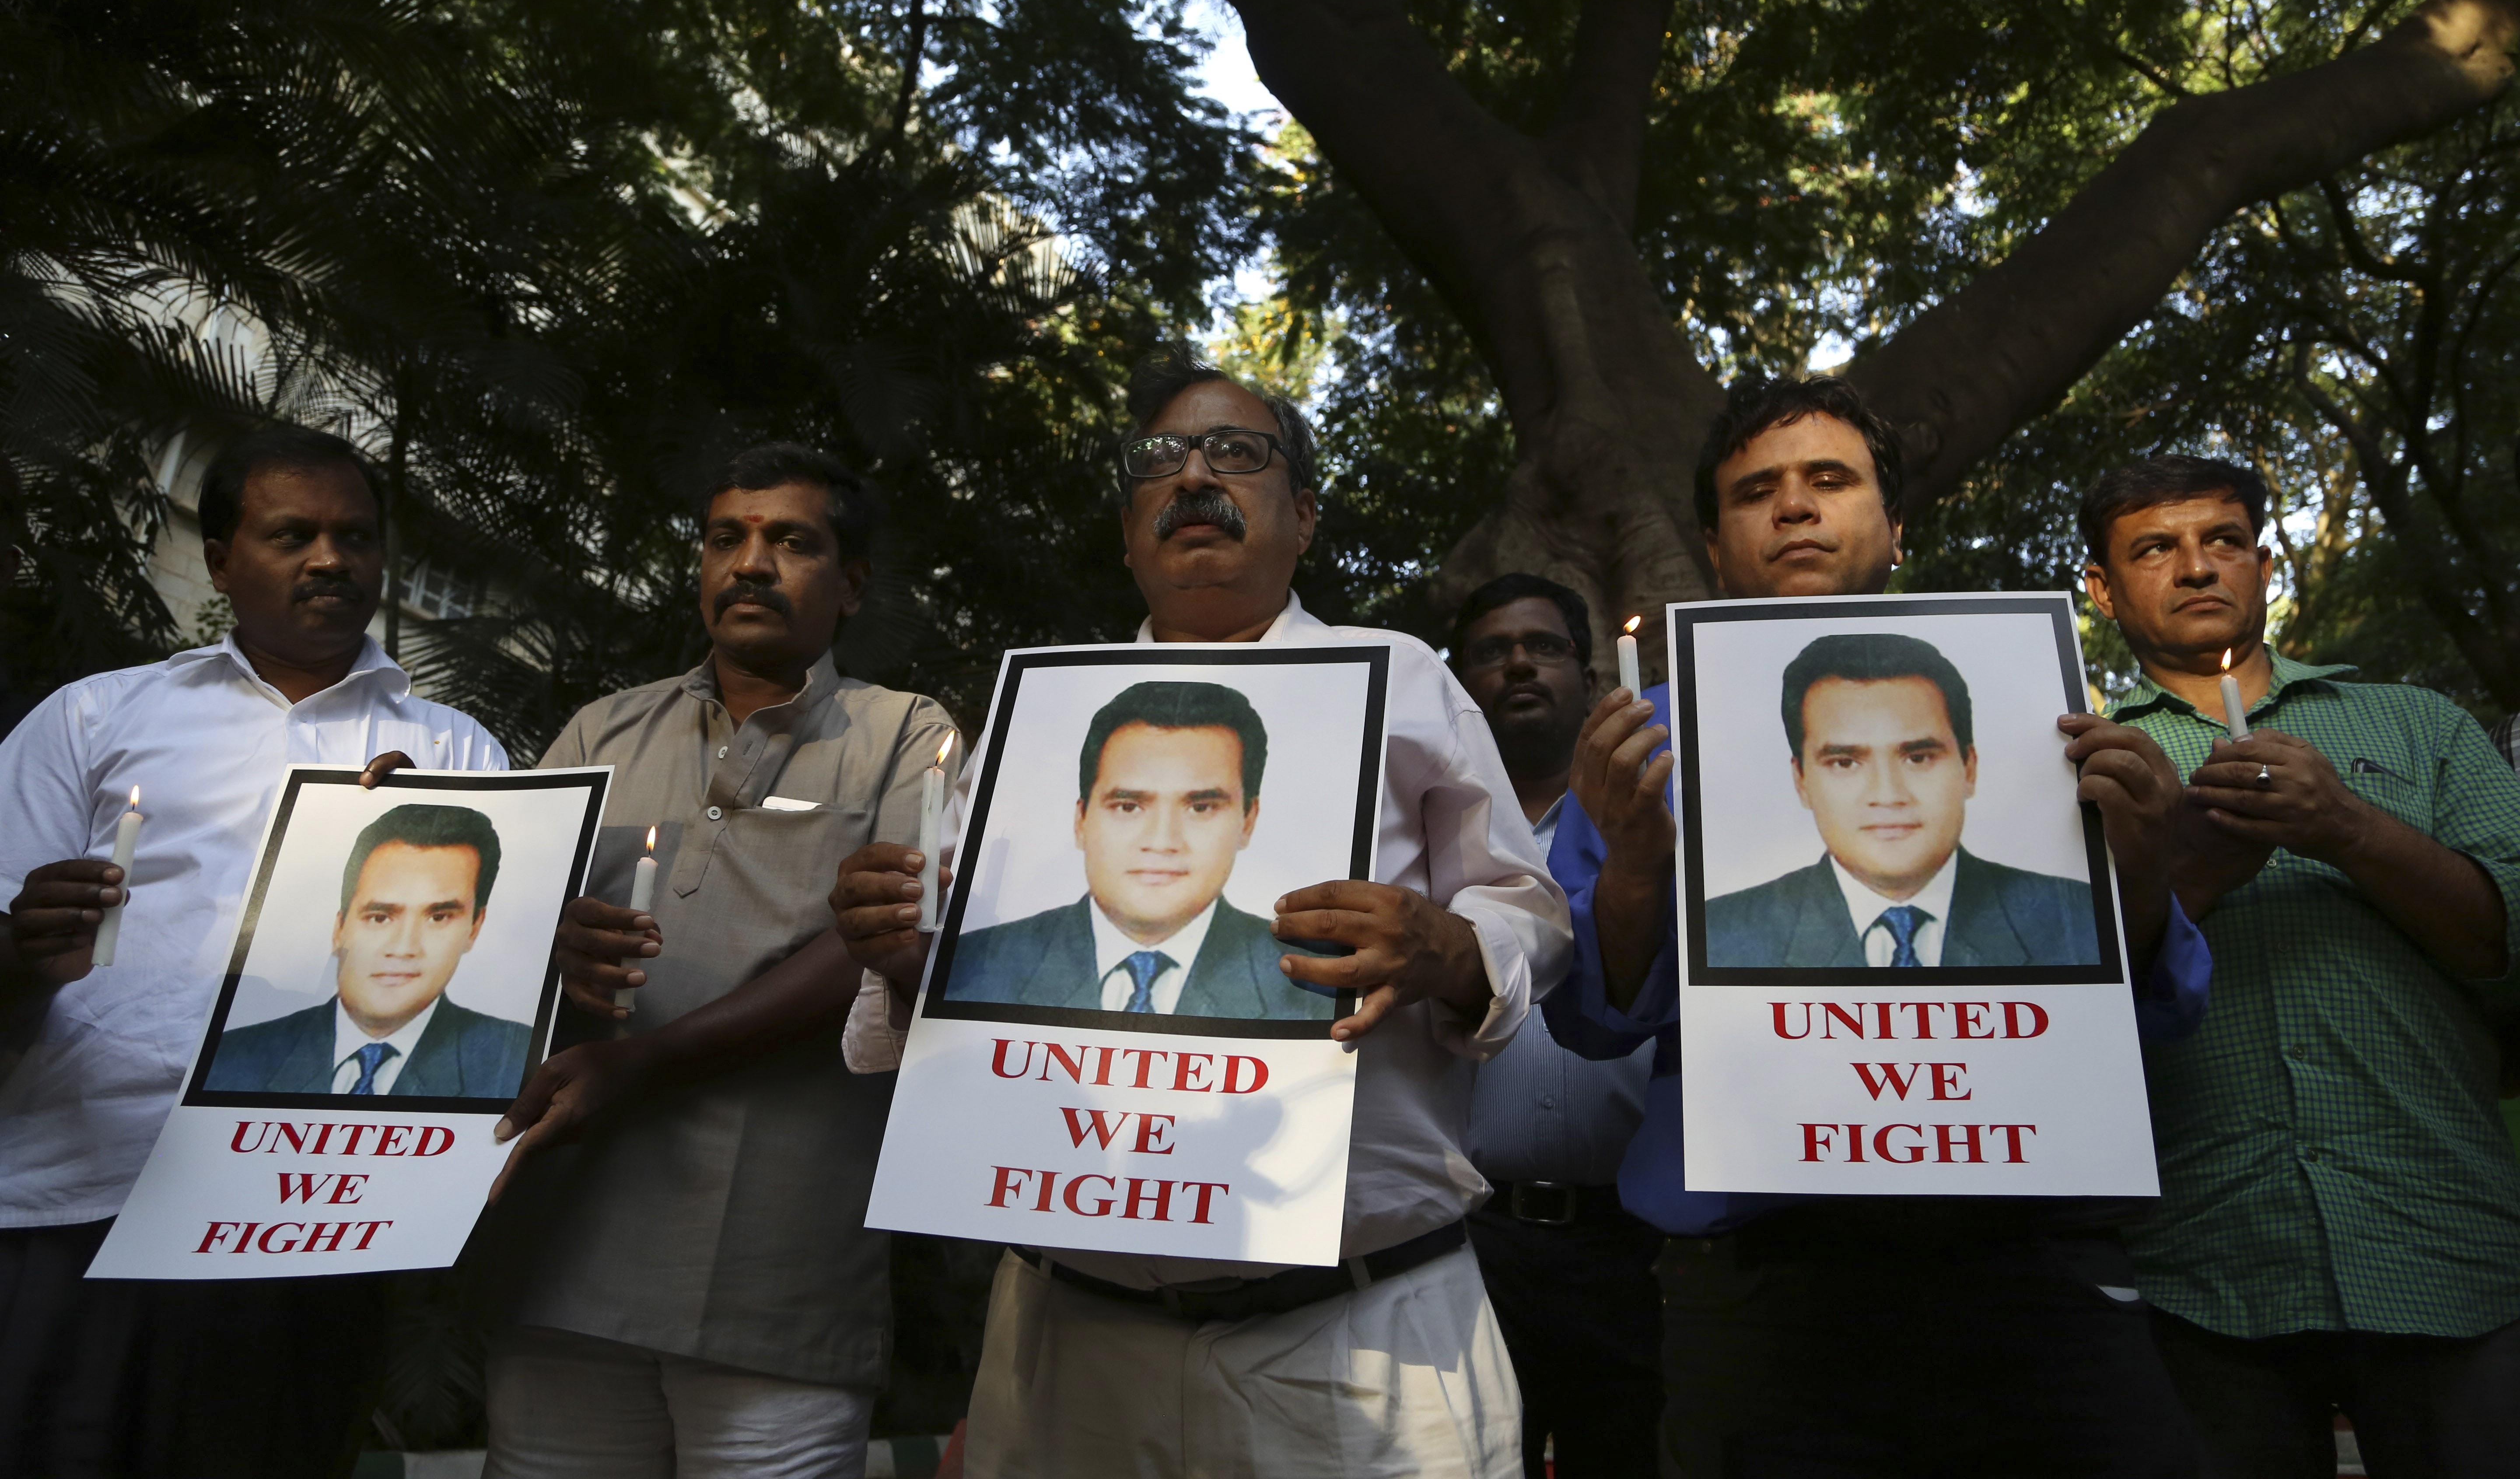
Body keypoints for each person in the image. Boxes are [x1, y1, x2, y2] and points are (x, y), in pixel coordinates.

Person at [836, 344, 1570, 1479]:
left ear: (1305, 515)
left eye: (1236, 453)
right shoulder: (1040, 723)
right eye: (1158, 462)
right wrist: (898, 951)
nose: (1191, 477)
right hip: (1065, 1339)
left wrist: (1452, 945)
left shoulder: (1405, 675)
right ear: (1130, 531)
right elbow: (944, 986)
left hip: (1357, 1341)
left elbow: (1530, 907)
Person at [1548, 378, 2212, 1476]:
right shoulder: (1639, 743)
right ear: (1715, 547)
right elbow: (1596, 1023)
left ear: (1893, 529)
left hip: (2030, 1273)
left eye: (1828, 480)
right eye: (1755, 491)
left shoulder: (2035, 709)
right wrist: (1629, 869)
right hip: (1763, 1293)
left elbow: (2164, 1009)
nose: (1794, 508)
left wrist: (2137, 870)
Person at [0, 423, 508, 1478]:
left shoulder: (457, 752)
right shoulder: (95, 717)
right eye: (291, 534)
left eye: (354, 536)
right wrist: (22, 943)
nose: (330, 559)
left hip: (311, 1215)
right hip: (90, 1185)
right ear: (223, 558)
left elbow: (483, 975)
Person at [475, 442, 956, 1479]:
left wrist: (644, 1061)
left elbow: (880, 943)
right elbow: (489, 933)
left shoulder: (907, 736)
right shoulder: (601, 730)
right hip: (563, 1256)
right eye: (726, 537)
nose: (749, 562)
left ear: (852, 584)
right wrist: (533, 937)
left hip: (774, 1281)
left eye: (791, 541)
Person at [2080, 453, 2520, 1476]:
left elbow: (2506, 944)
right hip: (2191, 1269)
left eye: (2221, 541)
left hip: (2439, 1239)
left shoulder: (2416, 726)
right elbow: (2044, 998)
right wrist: (2187, 873)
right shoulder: (2074, 759)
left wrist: (2347, 827)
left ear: (2262, 563)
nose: (2195, 568)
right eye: (2154, 548)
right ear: (2100, 590)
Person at [1452, 573, 1660, 1479]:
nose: (1520, 663)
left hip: (1637, 1250)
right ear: (1460, 685)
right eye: (1492, 652)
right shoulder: (1427, 831)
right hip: (1468, 1239)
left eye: (1543, 645)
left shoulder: (1662, 815)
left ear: (1588, 671)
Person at [945, 678, 1331, 1020]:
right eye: (1128, 807)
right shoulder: (973, 966)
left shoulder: (1315, 985)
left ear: (1248, 822)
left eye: (1201, 808)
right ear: (1081, 820)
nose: (1162, 841)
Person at [1707, 631, 2098, 969]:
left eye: (1918, 758)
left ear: (1969, 768)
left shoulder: (2082, 919)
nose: (1888, 794)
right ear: (1802, 781)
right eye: (1845, 762)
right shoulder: (1721, 936)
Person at [205, 802, 531, 1096]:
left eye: (438, 917)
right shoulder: (228, 1061)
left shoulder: (520, 1064)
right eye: (380, 917)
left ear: (474, 928)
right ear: (339, 928)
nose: (404, 948)